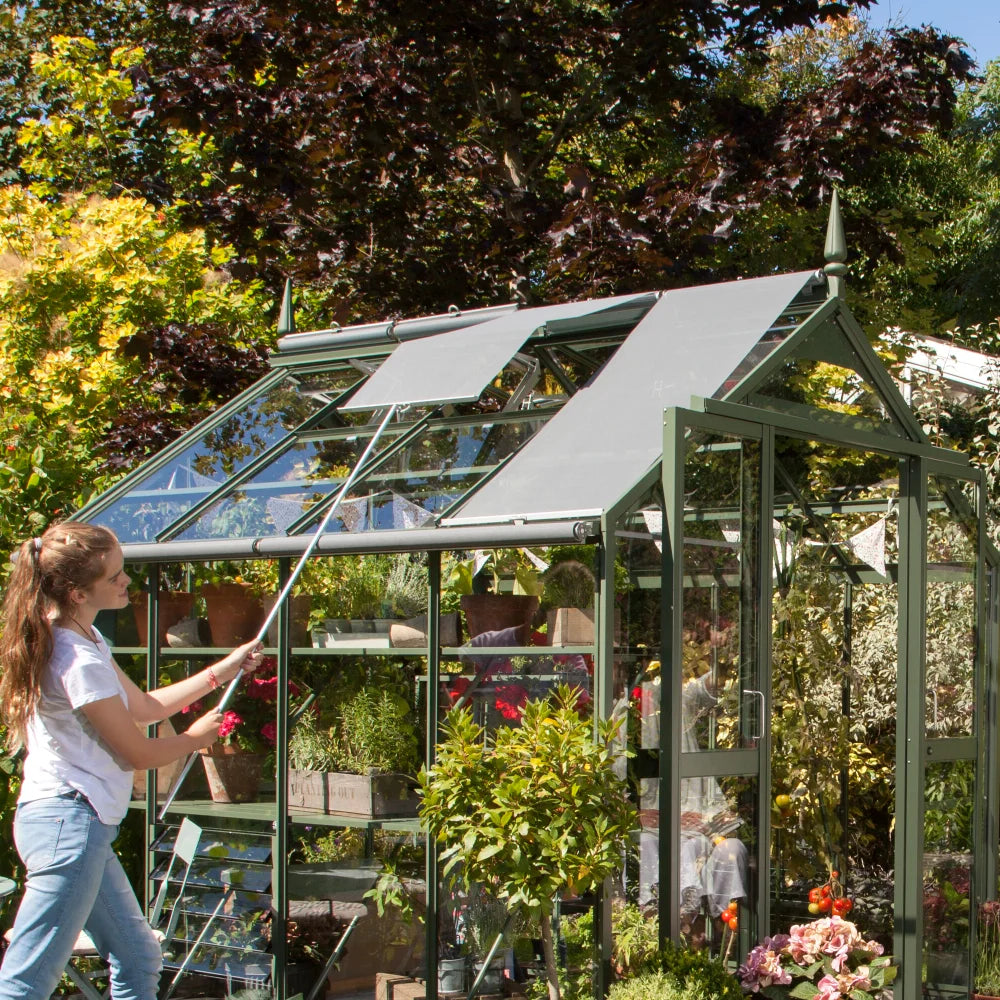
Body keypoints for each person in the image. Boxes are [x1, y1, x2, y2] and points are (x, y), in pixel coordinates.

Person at [0, 523, 264, 1000]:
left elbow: (142, 709)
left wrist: (222, 669)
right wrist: (193, 738)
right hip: (69, 828)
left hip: (77, 825)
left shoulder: (82, 639)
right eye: (115, 577)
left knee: (138, 956)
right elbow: (137, 752)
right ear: (79, 592)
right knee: (27, 980)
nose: (127, 583)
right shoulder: (75, 658)